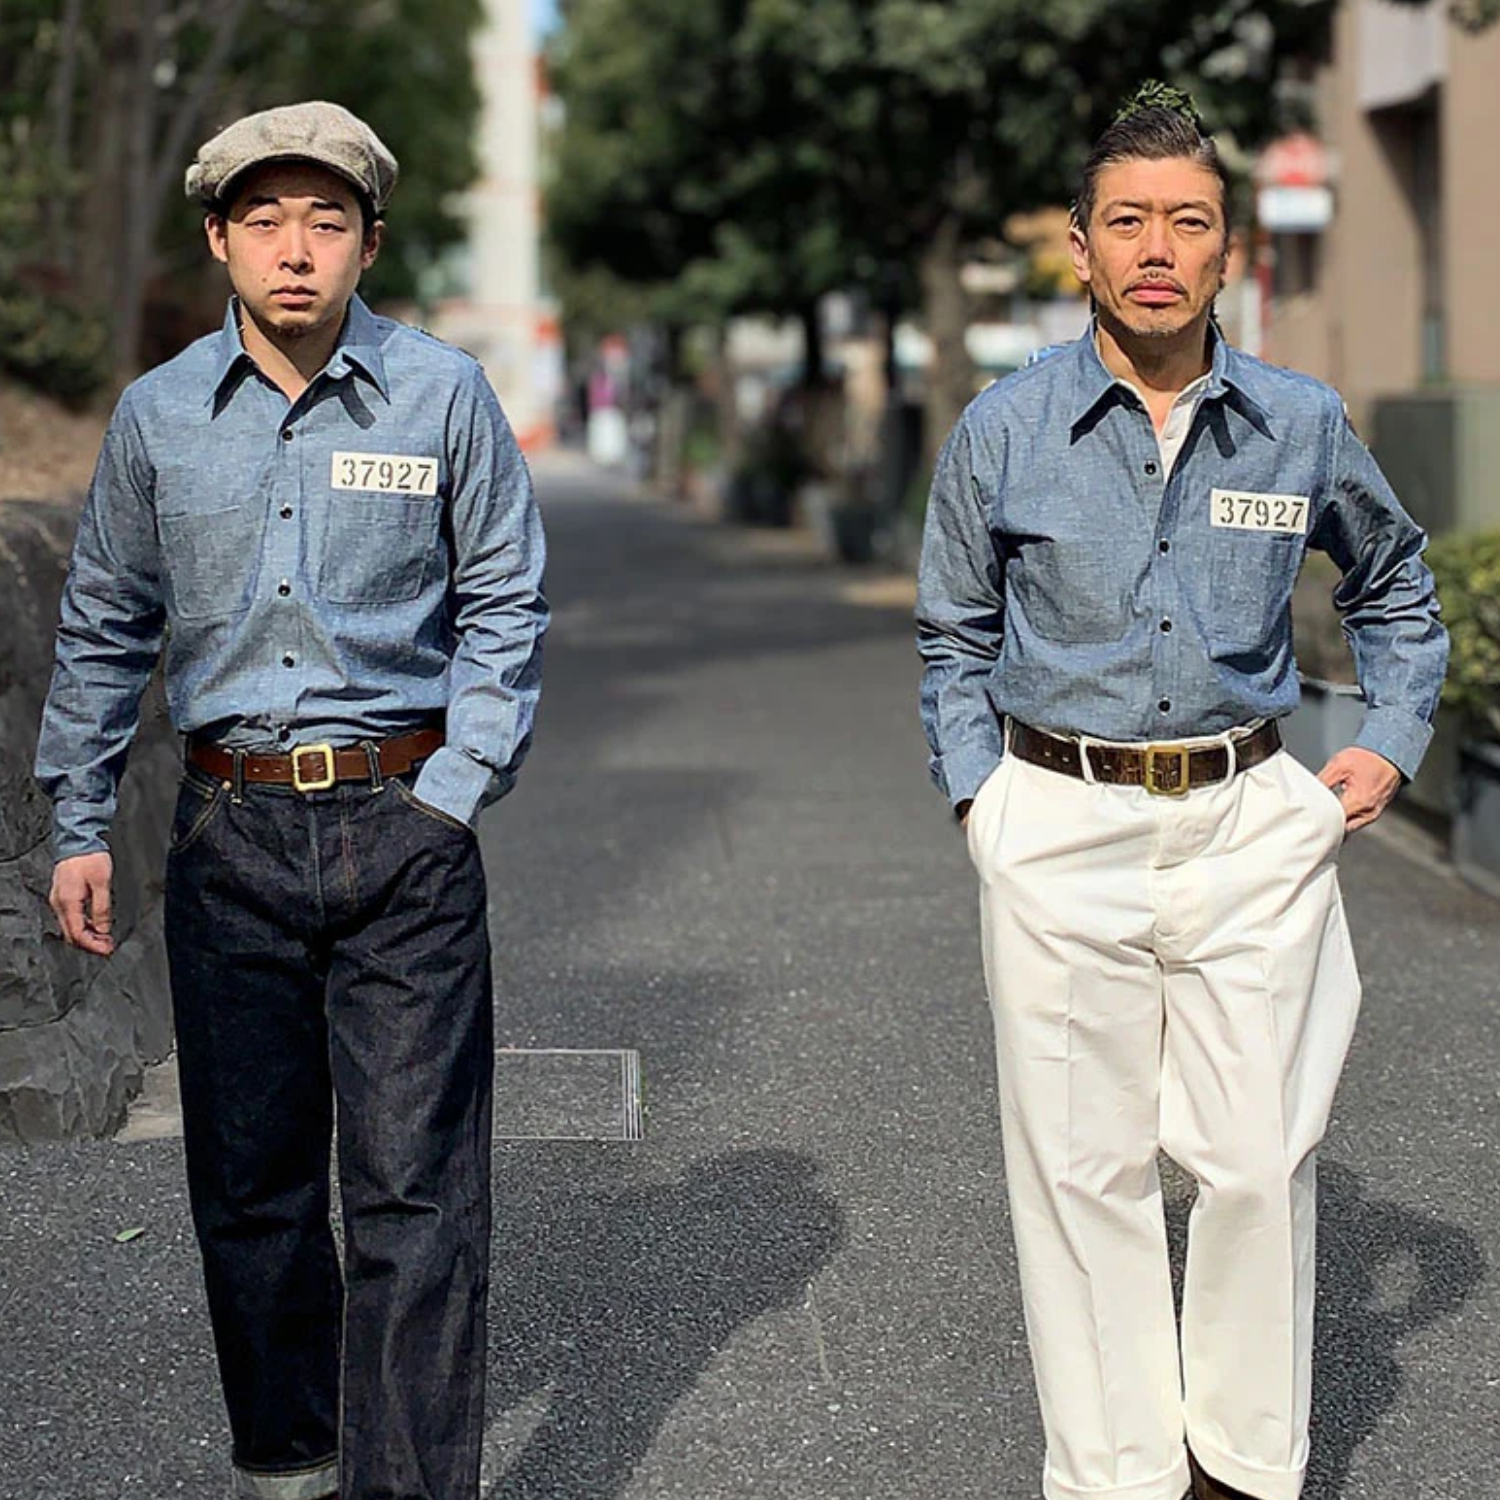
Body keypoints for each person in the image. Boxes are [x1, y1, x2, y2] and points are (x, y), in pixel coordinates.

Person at [915, 85, 1446, 1500]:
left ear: (1230, 256)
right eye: (1129, 220)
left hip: (1250, 818)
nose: (1159, 246)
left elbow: (1394, 583)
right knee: (1083, 1181)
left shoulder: (1298, 423)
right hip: (1055, 821)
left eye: (1190, 222)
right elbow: (955, 633)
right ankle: (1118, 1477)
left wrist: (1390, 735)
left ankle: (1245, 1468)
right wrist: (987, 807)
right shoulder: (1006, 428)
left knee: (1262, 1159)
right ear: (1080, 248)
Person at [34, 101, 547, 1500]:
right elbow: (102, 624)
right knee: (252, 1195)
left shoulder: (443, 395)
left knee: (413, 1195)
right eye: (264, 220)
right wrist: (79, 820)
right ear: (218, 239)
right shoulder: (157, 418)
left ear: (369, 242)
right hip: (226, 836)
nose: (296, 249)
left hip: (403, 831)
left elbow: (504, 599)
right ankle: (290, 1465)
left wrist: (453, 789)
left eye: (327, 221)